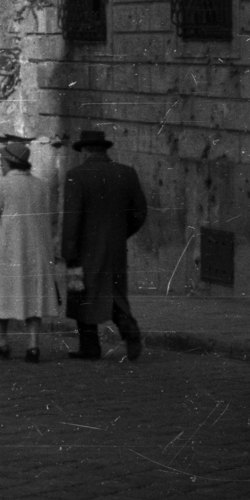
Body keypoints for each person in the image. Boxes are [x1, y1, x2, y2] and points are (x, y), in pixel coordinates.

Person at [61, 130, 148, 361]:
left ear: (85, 150)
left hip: (83, 248)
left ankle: (89, 346)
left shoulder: (76, 175)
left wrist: (68, 250)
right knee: (114, 292)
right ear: (103, 149)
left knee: (81, 292)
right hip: (116, 247)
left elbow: (72, 218)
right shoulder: (126, 173)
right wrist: (121, 233)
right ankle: (129, 329)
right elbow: (139, 213)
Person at [0, 141, 59, 363]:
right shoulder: (41, 186)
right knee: (33, 296)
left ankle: (1, 342)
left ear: (8, 162)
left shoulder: (2, 185)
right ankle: (33, 345)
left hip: (7, 251)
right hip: (36, 251)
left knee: (2, 295)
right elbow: (51, 218)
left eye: (1, 161)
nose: (0, 165)